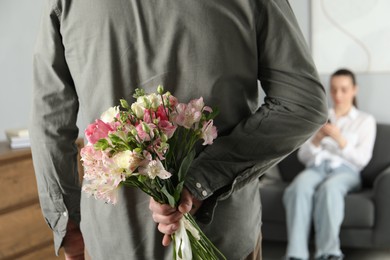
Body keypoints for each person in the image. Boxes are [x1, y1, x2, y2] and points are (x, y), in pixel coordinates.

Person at [30, 0, 327, 259]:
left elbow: (50, 122)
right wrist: (200, 181)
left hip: (113, 239)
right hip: (222, 238)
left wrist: (66, 226)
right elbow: (304, 105)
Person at [283, 69, 376, 260]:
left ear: (354, 90)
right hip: (317, 167)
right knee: (297, 188)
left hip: (346, 171)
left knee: (330, 189)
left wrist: (340, 140)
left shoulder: (365, 121)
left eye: (344, 89)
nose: (338, 95)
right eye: (334, 90)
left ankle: (329, 253)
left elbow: (362, 160)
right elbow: (303, 156)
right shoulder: (320, 118)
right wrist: (317, 138)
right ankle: (296, 255)